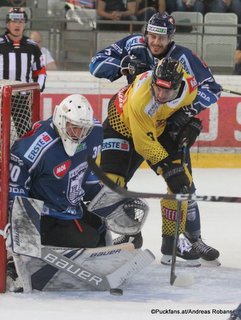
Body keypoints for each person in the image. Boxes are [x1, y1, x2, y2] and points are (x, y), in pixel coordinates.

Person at [89, 11, 222, 265]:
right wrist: (123, 65)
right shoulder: (133, 45)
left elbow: (211, 88)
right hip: (127, 122)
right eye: (152, 35)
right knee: (110, 184)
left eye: (162, 38)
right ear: (145, 33)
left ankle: (191, 240)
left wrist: (187, 116)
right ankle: (127, 234)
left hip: (162, 127)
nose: (156, 42)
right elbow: (95, 64)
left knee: (183, 184)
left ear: (171, 37)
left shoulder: (183, 58)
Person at [0, 7, 46, 136]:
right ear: (7, 23)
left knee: (26, 134)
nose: (17, 24)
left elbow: (41, 71)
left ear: (25, 24)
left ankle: (19, 156)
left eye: (21, 21)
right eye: (14, 21)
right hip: (0, 97)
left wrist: (37, 89)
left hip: (22, 98)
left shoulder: (32, 46)